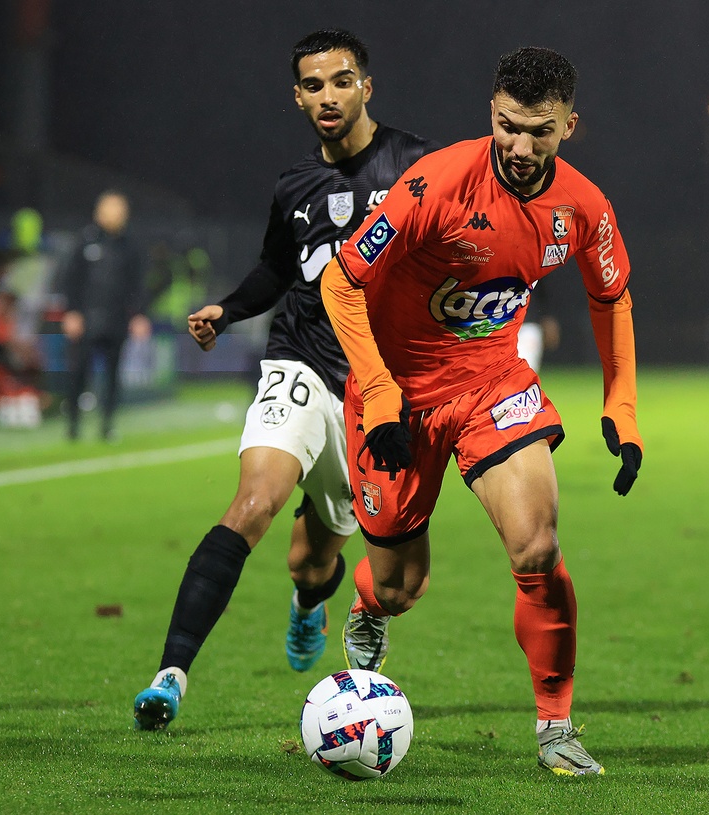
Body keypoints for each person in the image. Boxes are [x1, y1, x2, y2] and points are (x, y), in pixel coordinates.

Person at [320, 47, 643, 777]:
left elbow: (611, 295)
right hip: (395, 391)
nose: (522, 148)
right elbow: (342, 283)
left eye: (541, 131)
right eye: (508, 127)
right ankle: (369, 603)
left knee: (537, 548)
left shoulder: (583, 207)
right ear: (489, 113)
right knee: (401, 585)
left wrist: (621, 408)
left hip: (492, 383)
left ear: (569, 125)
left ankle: (555, 727)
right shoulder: (434, 184)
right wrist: (377, 392)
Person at [132, 29, 436, 731]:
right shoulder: (294, 186)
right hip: (298, 357)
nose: (327, 96)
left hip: (374, 390)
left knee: (311, 559)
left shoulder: (417, 163)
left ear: (366, 86)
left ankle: (308, 601)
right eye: (313, 85)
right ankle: (170, 675)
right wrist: (227, 307)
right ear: (296, 96)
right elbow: (277, 268)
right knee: (254, 500)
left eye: (341, 80)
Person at [60, 190, 150, 441]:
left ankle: (107, 425)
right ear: (98, 212)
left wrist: (139, 315)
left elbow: (138, 284)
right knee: (79, 373)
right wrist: (72, 312)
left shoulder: (131, 246)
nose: (115, 215)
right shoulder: (85, 241)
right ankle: (73, 425)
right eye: (110, 209)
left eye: (119, 210)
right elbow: (70, 279)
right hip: (87, 319)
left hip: (116, 319)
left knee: (113, 375)